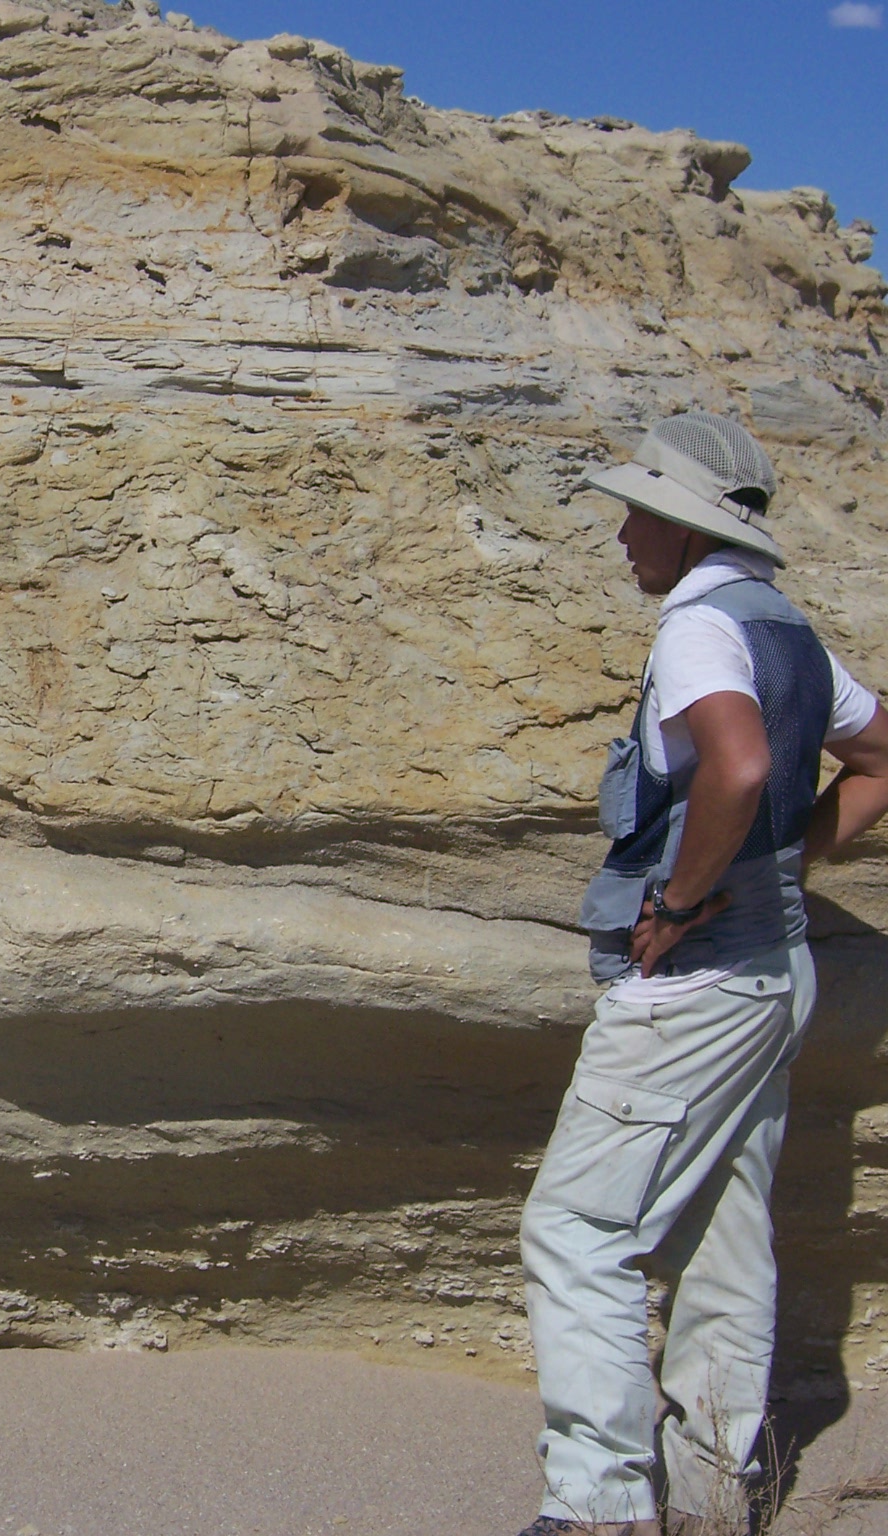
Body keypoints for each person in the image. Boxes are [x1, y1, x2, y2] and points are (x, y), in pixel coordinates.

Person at [516, 411, 888, 1536]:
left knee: (577, 1230)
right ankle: (713, 1499)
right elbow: (877, 760)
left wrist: (678, 901)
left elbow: (731, 763)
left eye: (640, 511)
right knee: (725, 1234)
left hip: (695, 988)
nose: (624, 531)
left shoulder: (695, 630)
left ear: (686, 530)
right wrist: (784, 861)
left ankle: (595, 1508)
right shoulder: (784, 630)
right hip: (774, 975)